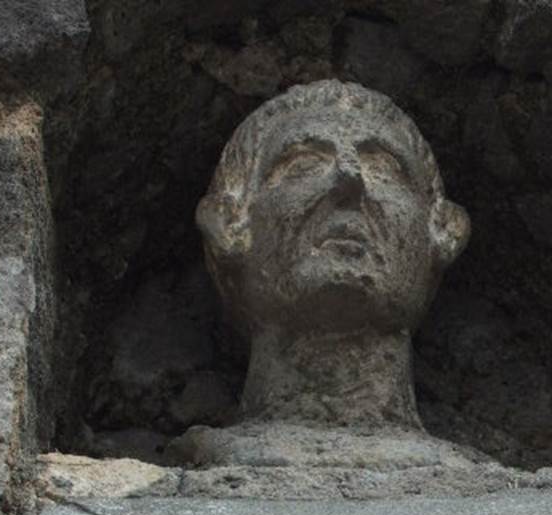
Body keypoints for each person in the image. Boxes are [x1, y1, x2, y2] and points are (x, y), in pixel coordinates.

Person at [170, 79, 472, 467]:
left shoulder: (489, 492)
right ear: (229, 225)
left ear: (444, 233)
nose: (350, 180)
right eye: (303, 164)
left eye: (384, 167)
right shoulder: (202, 464)